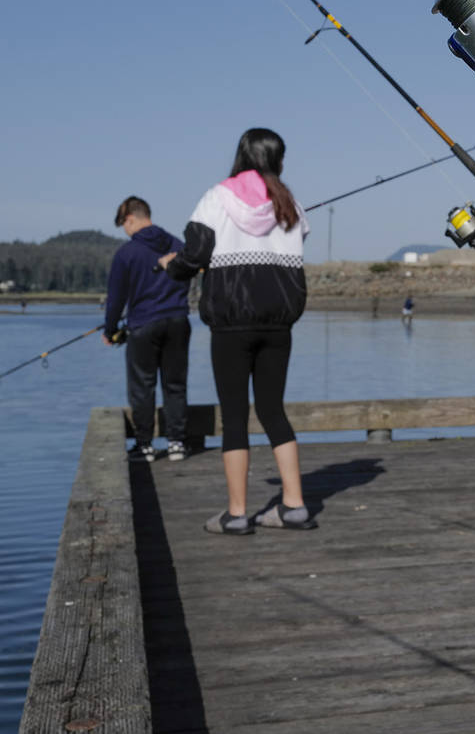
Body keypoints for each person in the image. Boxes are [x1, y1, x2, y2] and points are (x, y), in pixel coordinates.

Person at [165, 128, 316, 536]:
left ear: (242, 155)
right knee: (273, 411)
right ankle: (294, 506)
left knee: (234, 417)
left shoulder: (217, 197)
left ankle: (236, 514)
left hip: (231, 323)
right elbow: (299, 236)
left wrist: (171, 266)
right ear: (277, 159)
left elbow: (194, 253)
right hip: (279, 322)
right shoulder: (290, 204)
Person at [104, 195, 191, 462]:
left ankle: (144, 446)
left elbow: (116, 298)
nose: (125, 230)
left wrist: (110, 331)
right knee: (175, 384)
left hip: (143, 324)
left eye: (124, 224)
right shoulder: (178, 245)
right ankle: (177, 443)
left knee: (142, 387)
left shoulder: (127, 253)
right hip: (177, 321)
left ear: (131, 219)